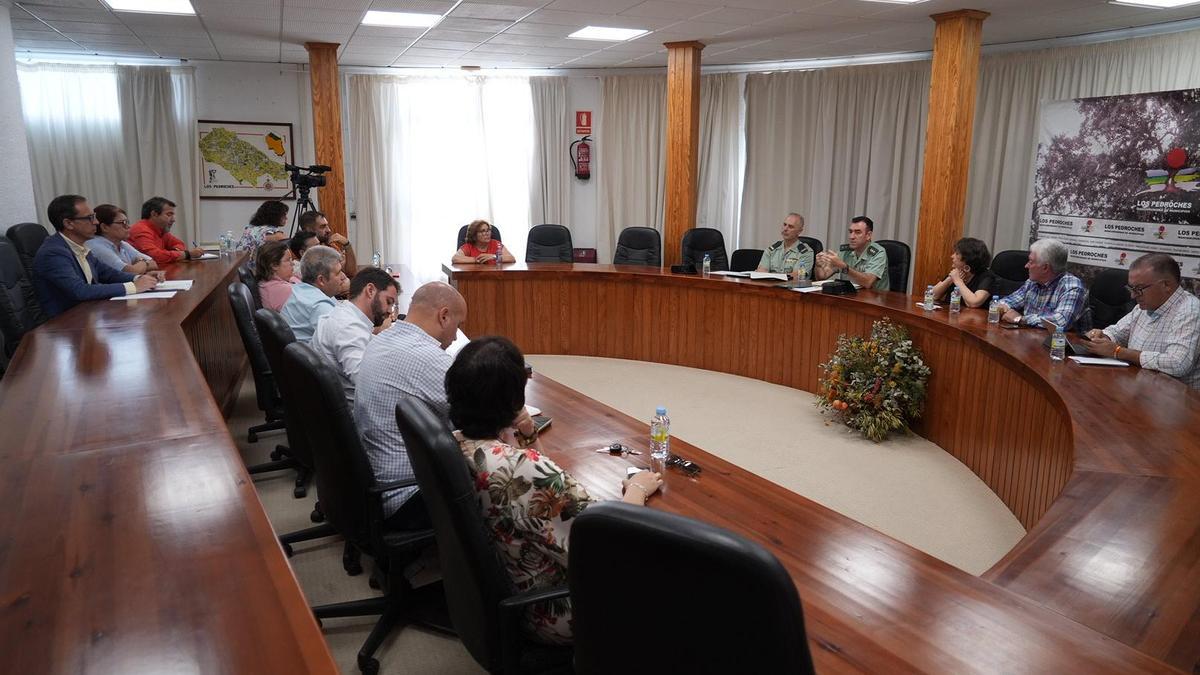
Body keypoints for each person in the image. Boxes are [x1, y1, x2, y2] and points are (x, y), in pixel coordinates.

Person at [446, 335, 663, 645]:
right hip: (556, 608)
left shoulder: (460, 444)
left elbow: (535, 479)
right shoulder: (522, 468)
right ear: (513, 398)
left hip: (509, 583)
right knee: (670, 564)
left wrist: (527, 432)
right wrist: (638, 490)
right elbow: (608, 541)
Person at [354, 281, 467, 530]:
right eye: (458, 326)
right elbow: (483, 416)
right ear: (444, 316)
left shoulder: (382, 339)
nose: (456, 336)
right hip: (408, 495)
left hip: (376, 483)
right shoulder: (430, 359)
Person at [1082, 254, 1200, 388]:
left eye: (1138, 289)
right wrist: (1103, 336)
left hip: (1176, 400)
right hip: (1140, 386)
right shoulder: (1144, 307)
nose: (1132, 295)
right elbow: (1117, 332)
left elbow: (1177, 363)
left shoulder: (1190, 311)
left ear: (1166, 285)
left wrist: (1119, 352)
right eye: (1131, 289)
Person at [33, 194, 159, 318]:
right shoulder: (54, 253)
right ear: (68, 224)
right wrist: (134, 286)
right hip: (63, 324)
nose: (96, 222)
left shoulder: (80, 246)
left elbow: (109, 273)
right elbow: (80, 291)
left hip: (87, 314)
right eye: (90, 218)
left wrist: (139, 278)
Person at [311, 267, 399, 406]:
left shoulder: (343, 314)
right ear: (370, 290)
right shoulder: (348, 328)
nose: (390, 311)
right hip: (357, 413)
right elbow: (366, 383)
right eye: (388, 302)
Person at [994, 238, 1086, 329]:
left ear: (1045, 268)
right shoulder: (1032, 282)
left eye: (1030, 262)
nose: (1026, 266)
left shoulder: (1071, 287)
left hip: (1059, 342)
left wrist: (1021, 319)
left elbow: (1060, 322)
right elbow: (1009, 301)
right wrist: (1003, 307)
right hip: (1030, 337)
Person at [279, 245, 347, 343]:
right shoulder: (319, 305)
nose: (343, 277)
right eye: (338, 273)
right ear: (321, 280)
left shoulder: (302, 291)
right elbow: (346, 339)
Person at [813, 216, 890, 290]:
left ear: (868, 235)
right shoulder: (845, 252)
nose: (851, 236)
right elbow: (822, 277)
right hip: (851, 296)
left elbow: (868, 282)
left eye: (857, 232)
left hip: (875, 299)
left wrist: (844, 267)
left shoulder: (878, 253)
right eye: (850, 232)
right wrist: (818, 266)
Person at [129, 196, 204, 265]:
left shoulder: (161, 230)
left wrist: (172, 253)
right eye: (169, 215)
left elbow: (179, 244)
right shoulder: (140, 230)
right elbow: (154, 257)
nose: (173, 219)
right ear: (154, 214)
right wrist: (187, 254)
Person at [85, 204, 157, 275]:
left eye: (127, 222)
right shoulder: (96, 245)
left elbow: (153, 264)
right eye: (123, 223)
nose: (129, 226)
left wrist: (140, 267)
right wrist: (143, 262)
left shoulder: (121, 243)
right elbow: (131, 272)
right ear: (105, 227)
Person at [931, 237, 996, 308]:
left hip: (973, 318)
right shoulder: (956, 272)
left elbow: (973, 303)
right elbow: (933, 296)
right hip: (951, 315)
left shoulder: (987, 276)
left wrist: (958, 281)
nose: (952, 256)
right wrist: (950, 280)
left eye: (957, 254)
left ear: (968, 259)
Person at [756, 212, 814, 279]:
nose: (785, 229)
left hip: (793, 288)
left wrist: (772, 276)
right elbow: (761, 272)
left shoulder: (806, 252)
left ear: (799, 231)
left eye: (791, 227)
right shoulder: (771, 250)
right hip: (771, 287)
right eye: (784, 224)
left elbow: (797, 276)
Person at [298, 210, 357, 276]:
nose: (329, 230)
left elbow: (351, 272)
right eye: (323, 227)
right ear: (308, 229)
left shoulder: (330, 245)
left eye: (327, 226)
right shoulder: (304, 250)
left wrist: (347, 244)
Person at [254, 241, 297, 312]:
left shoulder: (267, 282)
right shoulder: (283, 290)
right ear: (274, 265)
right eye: (288, 260)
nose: (292, 263)